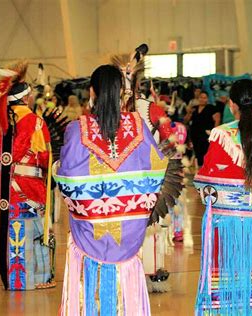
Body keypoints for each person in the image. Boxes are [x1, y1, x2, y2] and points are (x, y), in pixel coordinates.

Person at [54, 64, 168, 315]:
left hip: (88, 236)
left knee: (90, 294)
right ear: (120, 92)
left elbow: (67, 179)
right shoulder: (137, 127)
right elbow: (155, 170)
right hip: (129, 235)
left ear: (92, 91)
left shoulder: (76, 129)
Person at [194, 79, 252, 315]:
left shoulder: (221, 135)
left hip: (228, 229)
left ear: (231, 104)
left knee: (227, 290)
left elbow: (206, 182)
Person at [0, 61, 55, 291]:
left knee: (10, 231)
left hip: (5, 191)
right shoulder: (36, 122)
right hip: (29, 189)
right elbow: (44, 157)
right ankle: (40, 278)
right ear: (25, 98)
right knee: (37, 232)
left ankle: (15, 279)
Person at [185, 91, 220, 167]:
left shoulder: (211, 108)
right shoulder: (194, 108)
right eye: (201, 97)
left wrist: (214, 132)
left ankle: (205, 168)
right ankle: (198, 168)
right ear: (198, 98)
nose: (202, 99)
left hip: (206, 134)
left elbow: (217, 120)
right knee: (196, 152)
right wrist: (189, 112)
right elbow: (186, 120)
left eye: (204, 98)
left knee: (205, 152)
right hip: (195, 134)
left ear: (207, 99)